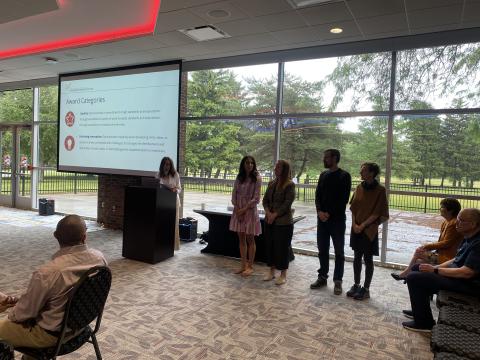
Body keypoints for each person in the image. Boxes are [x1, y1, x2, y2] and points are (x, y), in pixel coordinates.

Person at [0, 215, 107, 359]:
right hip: (81, 326)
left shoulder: (48, 273)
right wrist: (19, 300)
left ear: (56, 236)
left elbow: (23, 314)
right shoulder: (99, 258)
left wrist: (9, 311)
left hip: (50, 337)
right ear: (84, 236)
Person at [402, 208, 480, 332]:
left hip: (468, 285)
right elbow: (456, 259)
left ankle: (424, 323)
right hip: (458, 278)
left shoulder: (478, 243)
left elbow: (467, 272)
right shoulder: (468, 236)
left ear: (473, 224)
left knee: (414, 277)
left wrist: (435, 271)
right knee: (417, 268)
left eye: (461, 220)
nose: (457, 222)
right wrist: (434, 267)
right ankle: (420, 311)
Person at [310, 149, 352, 295]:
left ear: (334, 158)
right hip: (322, 220)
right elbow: (317, 196)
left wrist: (328, 213)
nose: (324, 159)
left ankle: (338, 281)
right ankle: (322, 276)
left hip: (337, 221)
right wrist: (319, 211)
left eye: (326, 157)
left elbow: (343, 199)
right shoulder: (323, 175)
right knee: (322, 250)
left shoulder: (344, 176)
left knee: (339, 251)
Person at [391, 198, 463, 280]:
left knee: (419, 252)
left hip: (448, 258)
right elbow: (441, 242)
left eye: (442, 207)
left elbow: (446, 243)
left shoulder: (453, 223)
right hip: (442, 255)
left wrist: (427, 246)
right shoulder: (446, 222)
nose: (440, 209)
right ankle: (411, 277)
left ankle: (405, 274)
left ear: (450, 210)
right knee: (418, 262)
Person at [346, 162, 389, 300]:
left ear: (371, 173)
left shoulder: (380, 190)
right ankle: (356, 284)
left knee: (368, 259)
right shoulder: (359, 187)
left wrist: (362, 225)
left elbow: (377, 213)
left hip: (369, 229)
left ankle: (366, 289)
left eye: (363, 170)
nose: (360, 172)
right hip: (356, 228)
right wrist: (354, 225)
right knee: (357, 257)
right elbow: (353, 208)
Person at [262, 160, 295, 286]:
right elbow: (265, 200)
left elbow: (287, 204)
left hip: (283, 223)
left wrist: (274, 215)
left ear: (284, 169)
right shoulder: (271, 183)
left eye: (278, 167)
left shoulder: (289, 184)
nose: (275, 168)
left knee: (282, 248)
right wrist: (268, 213)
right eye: (275, 166)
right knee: (270, 246)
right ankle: (271, 272)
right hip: (269, 221)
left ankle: (283, 275)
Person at [229, 156, 262, 276]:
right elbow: (234, 194)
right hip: (238, 211)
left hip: (249, 211)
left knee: (250, 239)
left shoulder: (257, 178)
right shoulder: (239, 177)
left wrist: (243, 210)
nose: (250, 165)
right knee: (241, 239)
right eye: (247, 163)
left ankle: (250, 266)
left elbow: (256, 198)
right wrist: (237, 209)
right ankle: (243, 265)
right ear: (243, 164)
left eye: (252, 163)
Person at [156, 156, 182, 251]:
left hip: (173, 202)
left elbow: (179, 188)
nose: (166, 166)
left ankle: (173, 246)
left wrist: (175, 189)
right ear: (162, 165)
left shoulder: (175, 174)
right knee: (163, 224)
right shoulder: (159, 174)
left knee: (173, 225)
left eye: (168, 164)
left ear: (171, 165)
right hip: (161, 203)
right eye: (165, 164)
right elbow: (156, 186)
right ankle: (162, 245)